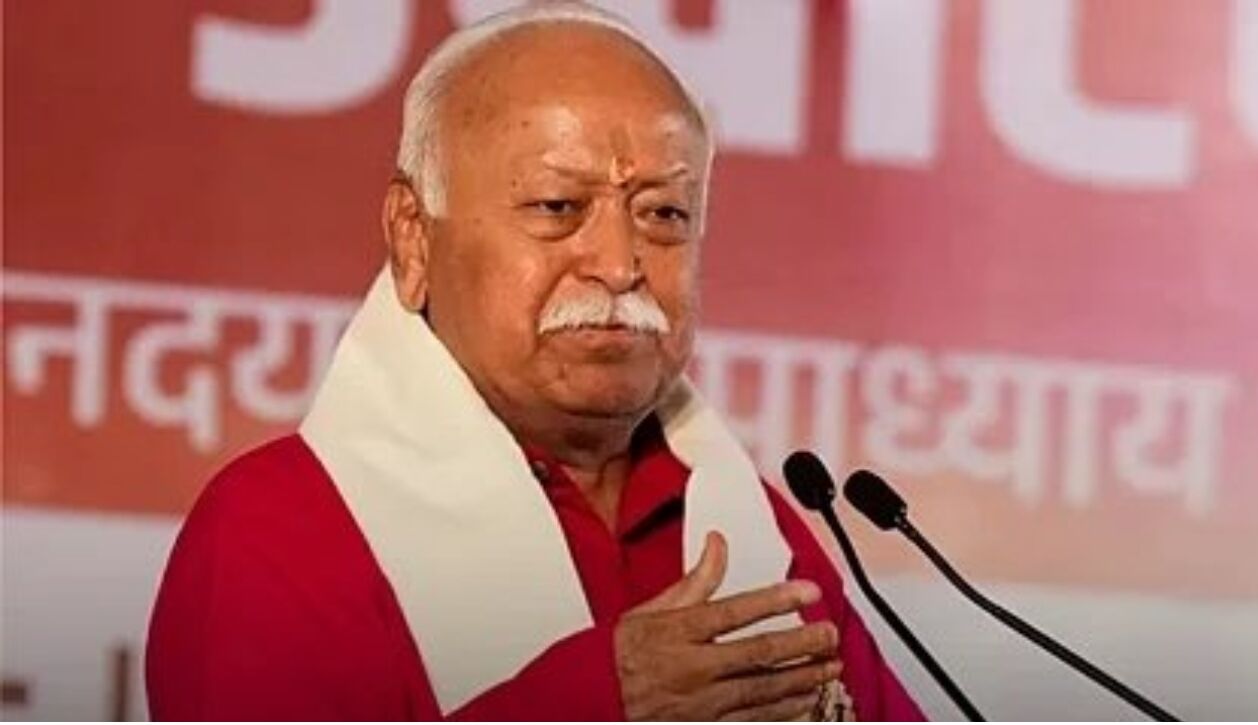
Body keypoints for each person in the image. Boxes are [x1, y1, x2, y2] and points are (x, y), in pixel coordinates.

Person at [146, 2, 924, 720]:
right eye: (558, 207)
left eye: (663, 213)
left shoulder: (752, 526)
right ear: (413, 237)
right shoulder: (278, 527)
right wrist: (598, 703)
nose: (619, 264)